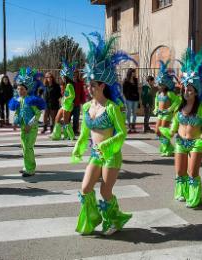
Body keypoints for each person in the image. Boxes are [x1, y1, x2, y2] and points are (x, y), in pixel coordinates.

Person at [72, 32, 136, 236]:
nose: (89, 88)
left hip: (111, 154)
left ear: (102, 85)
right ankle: (91, 219)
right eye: (88, 84)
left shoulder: (112, 108)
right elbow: (85, 132)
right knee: (85, 189)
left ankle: (114, 221)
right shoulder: (85, 107)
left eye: (92, 85)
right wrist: (79, 145)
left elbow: (122, 133)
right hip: (95, 154)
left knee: (105, 191)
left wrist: (107, 145)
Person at [160, 47, 202, 208]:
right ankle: (182, 192)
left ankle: (194, 197)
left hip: (195, 143)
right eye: (185, 89)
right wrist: (168, 132)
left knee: (192, 173)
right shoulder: (179, 107)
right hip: (180, 143)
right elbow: (175, 124)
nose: (186, 92)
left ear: (196, 92)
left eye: (190, 90)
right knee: (180, 172)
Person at [9, 67, 46, 177]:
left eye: (22, 89)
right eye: (18, 89)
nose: (20, 91)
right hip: (23, 128)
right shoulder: (19, 100)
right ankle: (27, 166)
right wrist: (15, 122)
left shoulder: (31, 100)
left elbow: (38, 114)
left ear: (27, 89)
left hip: (31, 128)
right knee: (24, 148)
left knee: (29, 147)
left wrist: (30, 125)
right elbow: (18, 113)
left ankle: (30, 169)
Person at [154, 60, 181, 157]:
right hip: (160, 114)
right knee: (157, 131)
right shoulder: (158, 93)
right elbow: (156, 102)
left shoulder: (170, 93)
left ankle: (167, 148)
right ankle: (166, 146)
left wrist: (170, 109)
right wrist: (156, 108)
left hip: (167, 114)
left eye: (161, 84)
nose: (159, 86)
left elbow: (177, 101)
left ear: (166, 85)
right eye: (159, 84)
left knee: (164, 131)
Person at [51, 61, 75, 141]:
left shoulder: (69, 85)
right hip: (64, 105)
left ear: (66, 77)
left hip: (67, 106)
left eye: (63, 76)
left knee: (65, 121)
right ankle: (56, 135)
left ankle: (70, 136)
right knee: (57, 118)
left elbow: (72, 96)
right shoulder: (66, 85)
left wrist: (65, 99)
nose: (62, 78)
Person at [123, 68, 139, 133]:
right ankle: (129, 125)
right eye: (133, 72)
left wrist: (138, 97)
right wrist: (125, 98)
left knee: (135, 113)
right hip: (128, 99)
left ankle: (133, 125)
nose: (135, 73)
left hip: (135, 99)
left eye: (135, 72)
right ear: (130, 73)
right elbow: (124, 91)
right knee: (128, 112)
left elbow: (137, 89)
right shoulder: (126, 80)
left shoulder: (135, 80)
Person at [72, 69, 86, 135]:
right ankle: (68, 130)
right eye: (74, 72)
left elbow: (82, 92)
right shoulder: (69, 81)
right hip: (69, 103)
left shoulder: (80, 82)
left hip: (77, 102)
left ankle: (75, 130)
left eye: (77, 72)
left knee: (76, 117)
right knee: (68, 117)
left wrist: (83, 100)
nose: (75, 74)